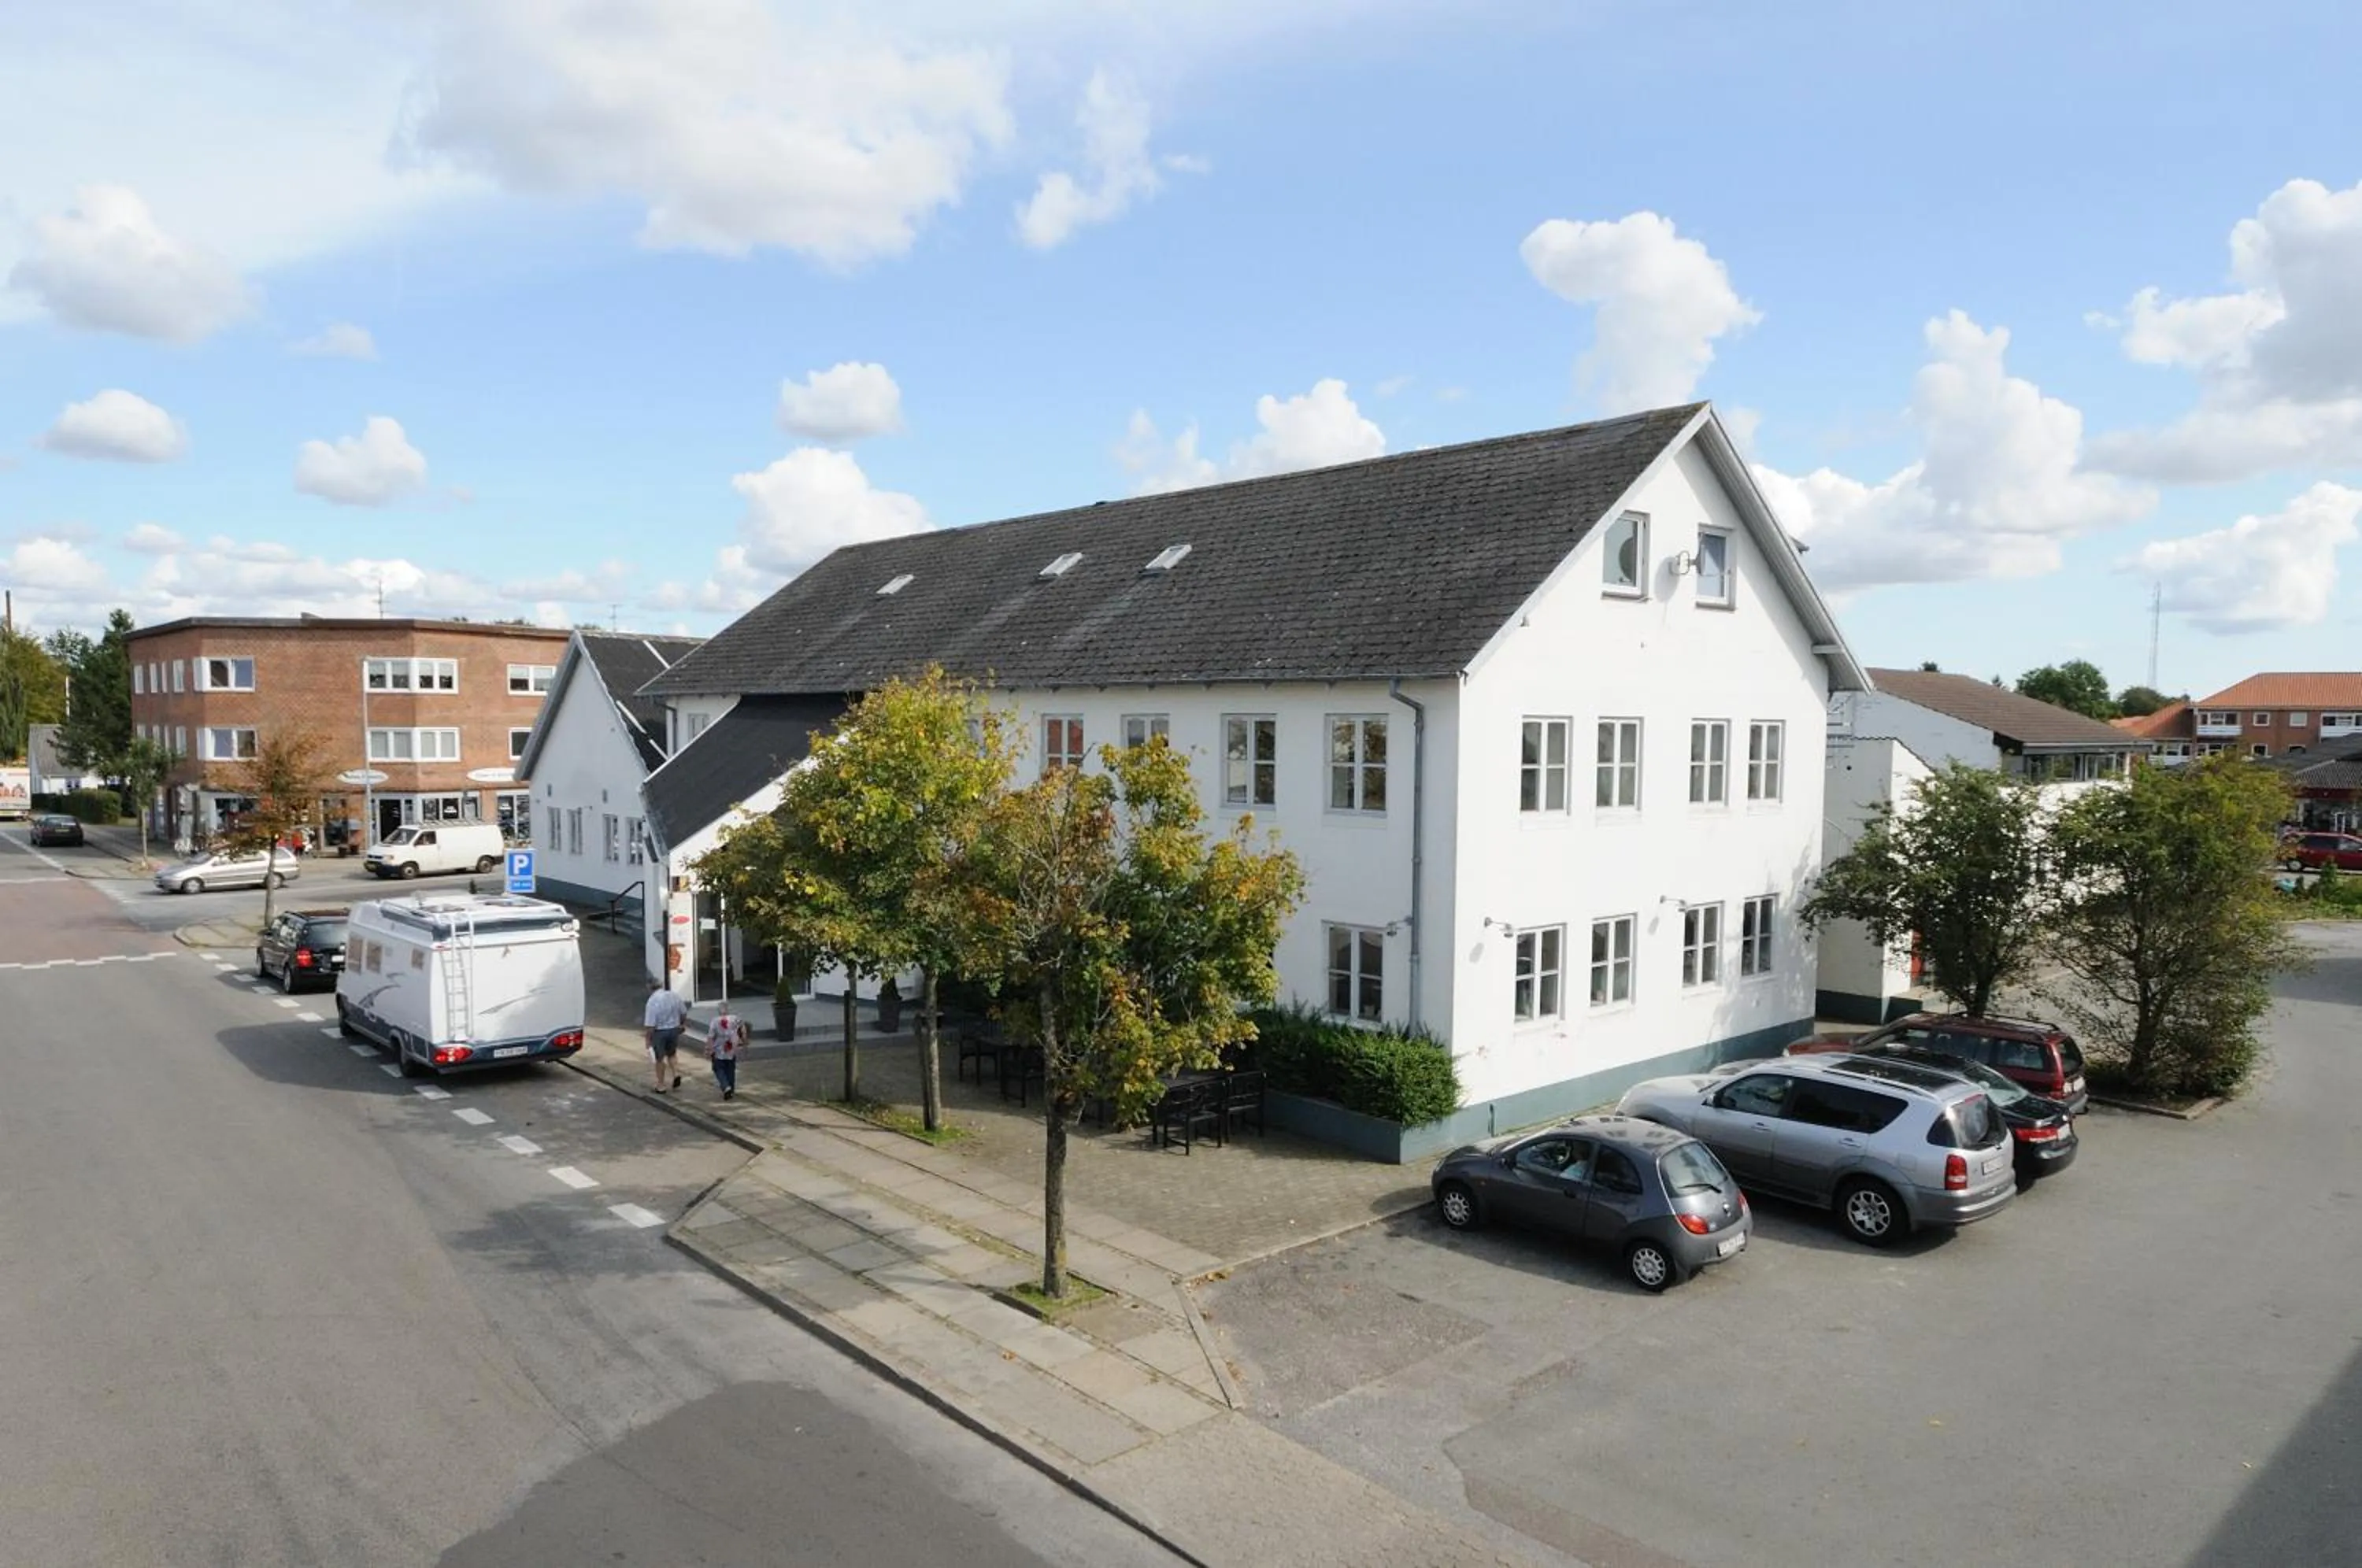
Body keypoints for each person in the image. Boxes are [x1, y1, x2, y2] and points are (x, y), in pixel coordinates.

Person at [643, 977, 687, 1092]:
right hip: (674, 1029)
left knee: (659, 1058)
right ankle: (676, 1073)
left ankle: (661, 1085)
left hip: (660, 1032)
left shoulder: (652, 1001)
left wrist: (648, 1039)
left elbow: (650, 1024)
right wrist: (681, 1024)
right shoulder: (673, 995)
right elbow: (683, 1012)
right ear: (661, 985)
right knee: (672, 1054)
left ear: (649, 987)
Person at [707, 1000, 749, 1100]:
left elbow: (711, 1037)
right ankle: (731, 1089)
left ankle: (726, 1086)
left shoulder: (715, 1021)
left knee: (718, 1068)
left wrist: (710, 1049)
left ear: (719, 1011)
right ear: (727, 1010)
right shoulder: (735, 1019)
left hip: (719, 1049)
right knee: (730, 1068)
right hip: (731, 1047)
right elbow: (743, 1029)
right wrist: (744, 1041)